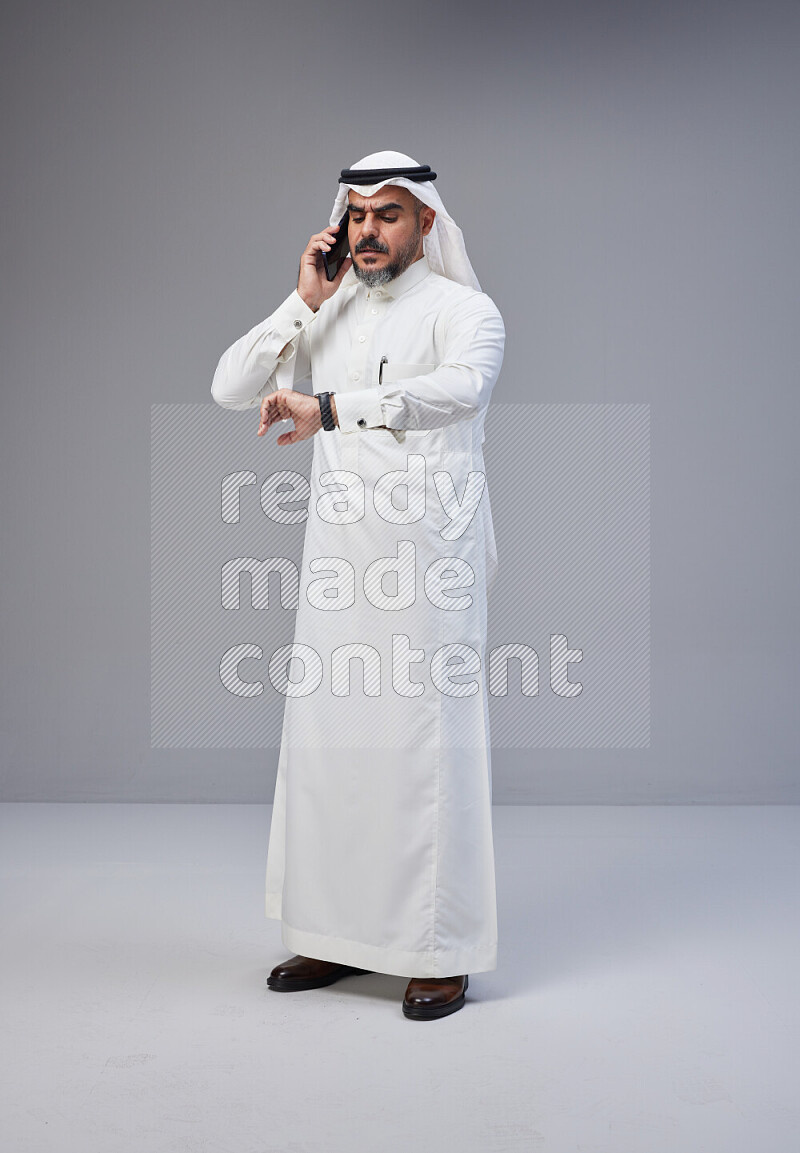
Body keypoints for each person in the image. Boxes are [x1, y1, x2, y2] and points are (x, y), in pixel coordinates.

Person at [211, 150, 505, 1020]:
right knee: (331, 743)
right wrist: (302, 299)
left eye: (389, 213)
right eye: (358, 214)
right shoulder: (328, 310)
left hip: (430, 556)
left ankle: (440, 949)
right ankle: (337, 936)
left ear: (425, 223)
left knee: (426, 749)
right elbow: (230, 386)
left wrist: (331, 408)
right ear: (340, 224)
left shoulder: (467, 310)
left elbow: (460, 390)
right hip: (340, 559)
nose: (370, 230)